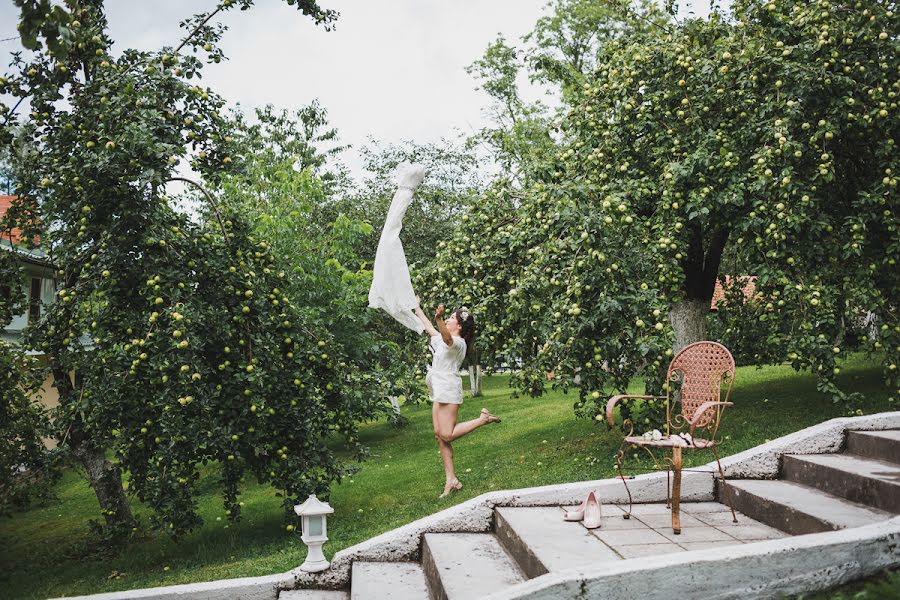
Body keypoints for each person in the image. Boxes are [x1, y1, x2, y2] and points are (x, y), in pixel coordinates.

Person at [413, 297, 500, 498]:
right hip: (438, 388)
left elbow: (447, 339)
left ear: (458, 326)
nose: (449, 319)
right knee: (440, 437)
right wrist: (417, 308)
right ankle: (451, 480)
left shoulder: (458, 343)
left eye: (451, 318)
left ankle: (482, 419)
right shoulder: (443, 339)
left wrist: (439, 318)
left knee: (447, 435)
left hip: (449, 390)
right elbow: (430, 329)